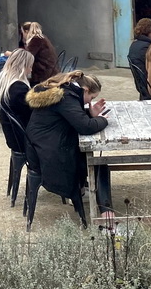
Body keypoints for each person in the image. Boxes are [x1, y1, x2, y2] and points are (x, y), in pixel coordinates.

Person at [26, 70, 113, 220]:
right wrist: (103, 120)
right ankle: (106, 213)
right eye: (91, 98)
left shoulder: (62, 92)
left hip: (42, 147)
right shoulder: (66, 98)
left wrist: (90, 115)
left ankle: (89, 195)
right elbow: (85, 127)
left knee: (96, 163)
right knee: (99, 165)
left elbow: (70, 118)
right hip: (52, 155)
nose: (89, 102)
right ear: (85, 90)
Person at [0, 48, 35, 127]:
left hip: (11, 133)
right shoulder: (19, 88)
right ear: (23, 66)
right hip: (23, 135)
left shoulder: (2, 85)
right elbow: (30, 114)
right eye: (30, 66)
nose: (31, 70)